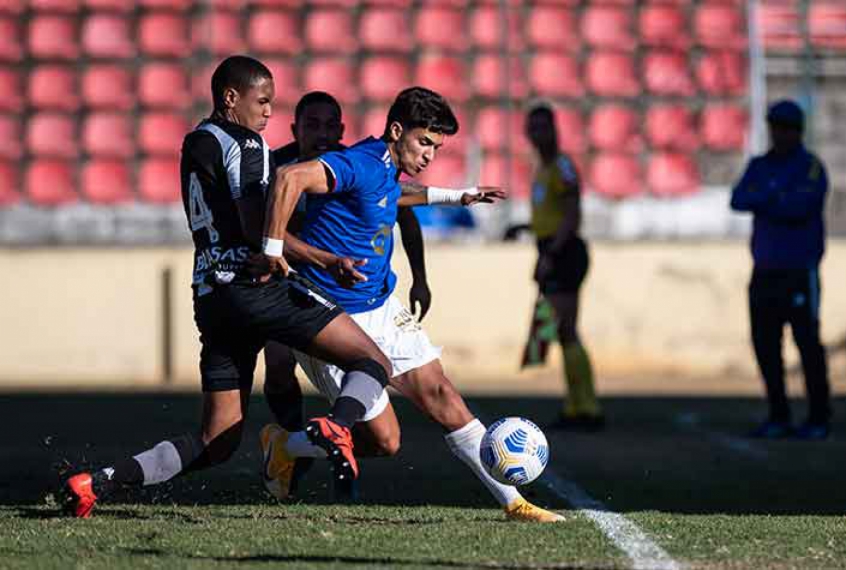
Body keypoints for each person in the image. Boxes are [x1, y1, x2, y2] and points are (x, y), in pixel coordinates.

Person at [60, 55, 394, 518]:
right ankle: (337, 427)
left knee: (217, 440)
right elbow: (257, 226)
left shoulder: (196, 141)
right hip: (253, 284)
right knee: (373, 359)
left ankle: (98, 482)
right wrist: (324, 259)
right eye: (263, 101)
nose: (269, 112)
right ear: (230, 97)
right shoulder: (248, 144)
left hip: (211, 296)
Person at [260, 86, 564, 522]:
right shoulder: (359, 162)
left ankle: (513, 502)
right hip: (331, 317)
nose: (429, 155)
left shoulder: (384, 166)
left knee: (442, 392)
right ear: (397, 130)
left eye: (436, 148)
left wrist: (456, 195)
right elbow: (290, 178)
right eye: (424, 143)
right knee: (385, 442)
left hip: (381, 305)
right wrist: (273, 248)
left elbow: (396, 195)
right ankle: (284, 445)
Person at [260, 90, 432, 498]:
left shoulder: (354, 164)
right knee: (280, 365)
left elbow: (403, 214)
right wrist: (319, 258)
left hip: (343, 292)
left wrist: (420, 277)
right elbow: (263, 231)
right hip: (286, 283)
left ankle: (302, 453)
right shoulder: (276, 167)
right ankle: (287, 446)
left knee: (371, 400)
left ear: (340, 129)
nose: (321, 133)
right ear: (294, 130)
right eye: (311, 125)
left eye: (328, 126)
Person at [730, 99, 831, 440]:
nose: (778, 133)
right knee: (766, 345)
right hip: (765, 270)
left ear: (798, 131)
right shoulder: (760, 165)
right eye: (775, 126)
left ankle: (818, 417)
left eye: (785, 127)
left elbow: (801, 206)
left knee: (807, 345)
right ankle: (779, 414)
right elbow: (739, 198)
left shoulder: (811, 166)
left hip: (799, 270)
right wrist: (776, 196)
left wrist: (769, 196)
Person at [524, 103, 602, 431]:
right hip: (554, 249)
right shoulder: (544, 169)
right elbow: (553, 215)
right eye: (534, 128)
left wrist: (551, 254)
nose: (539, 134)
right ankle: (578, 405)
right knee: (563, 330)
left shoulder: (562, 166)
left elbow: (572, 214)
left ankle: (585, 408)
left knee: (567, 329)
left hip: (564, 252)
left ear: (555, 129)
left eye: (544, 127)